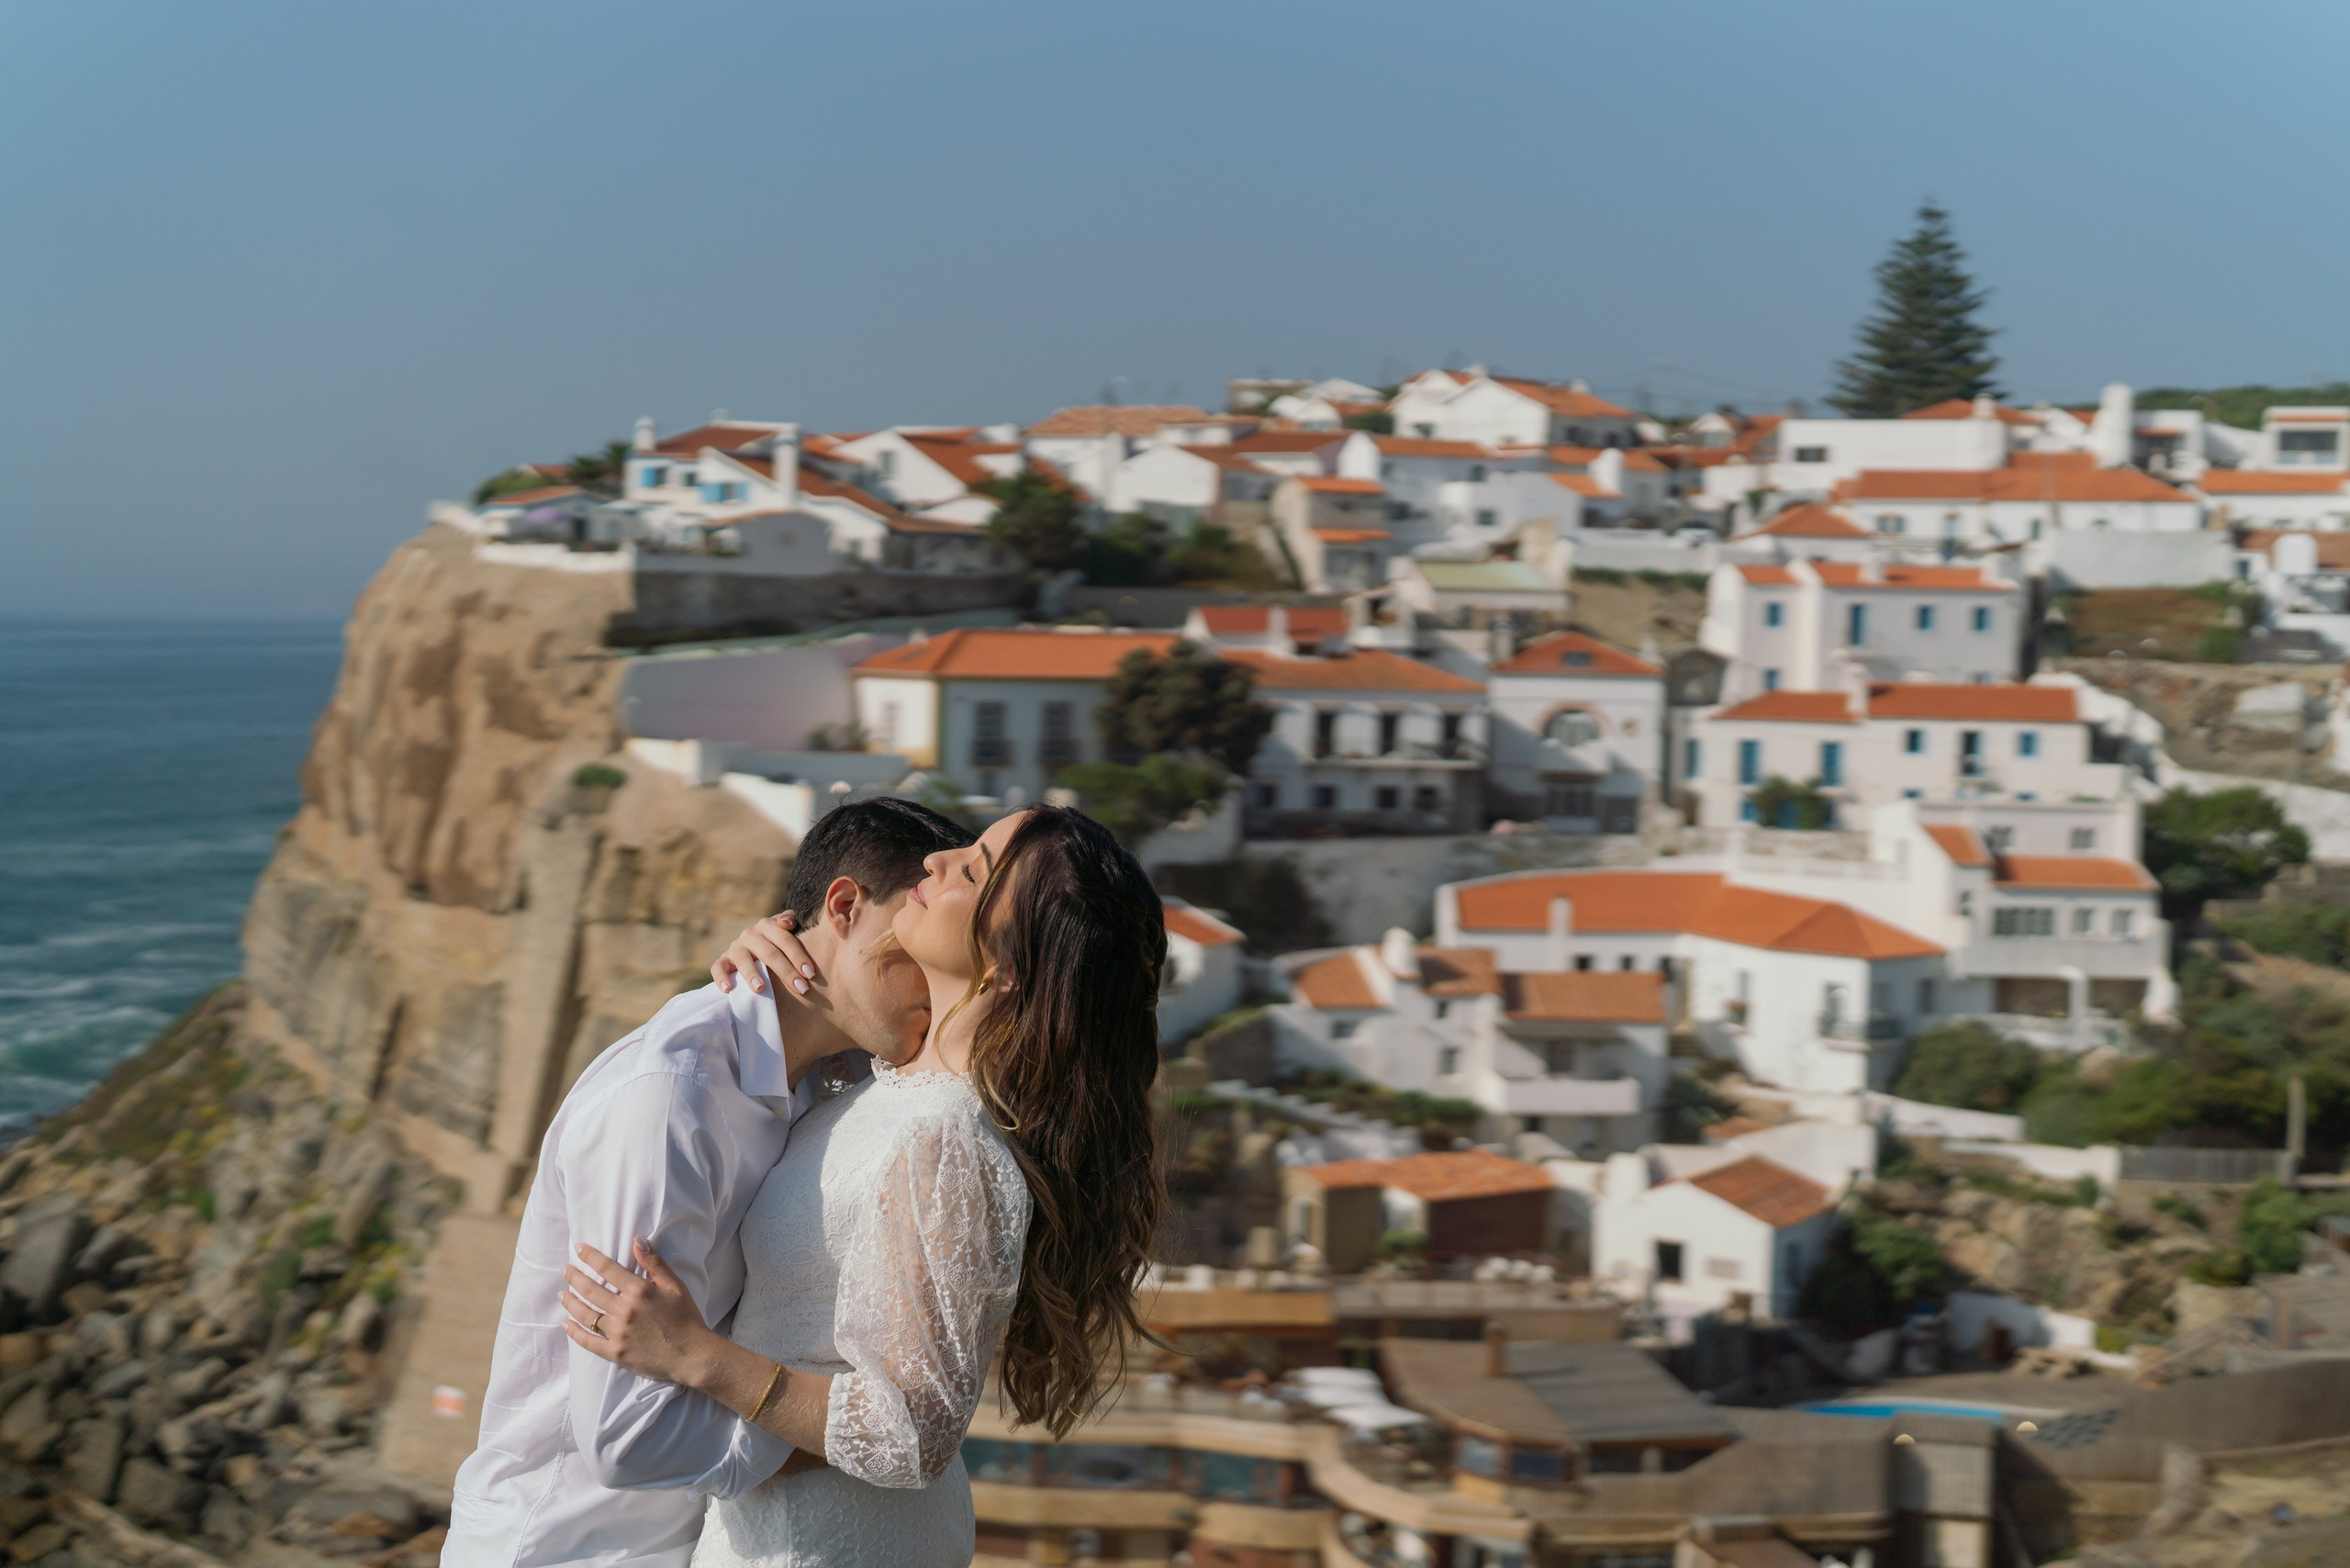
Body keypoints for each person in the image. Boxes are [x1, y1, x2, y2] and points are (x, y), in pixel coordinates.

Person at [561, 805, 1168, 1568]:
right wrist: (773, 965)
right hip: (783, 1528)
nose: (936, 862)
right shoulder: (872, 1086)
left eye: (973, 867)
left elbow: (913, 1434)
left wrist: (699, 1358)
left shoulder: (946, 1138)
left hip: (839, 1541)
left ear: (1009, 965)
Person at [444, 798, 976, 1568]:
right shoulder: (671, 1104)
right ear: (844, 907)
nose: (944, 980)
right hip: (568, 1548)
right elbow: (627, 1436)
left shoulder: (828, 1073)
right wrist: (855, 1437)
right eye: (919, 947)